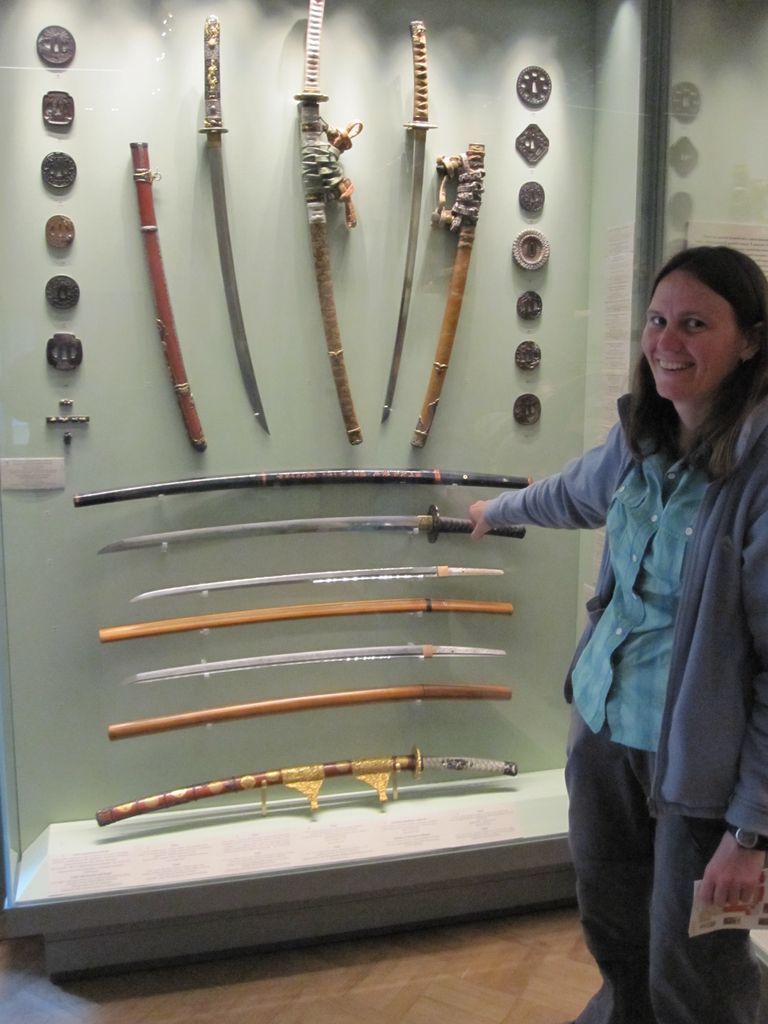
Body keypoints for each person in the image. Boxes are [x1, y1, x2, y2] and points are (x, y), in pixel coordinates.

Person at [469, 245, 768, 1024]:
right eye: (658, 320)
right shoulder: (644, 438)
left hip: (700, 762)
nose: (666, 341)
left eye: (695, 324)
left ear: (751, 341)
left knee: (695, 967)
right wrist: (497, 511)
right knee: (617, 932)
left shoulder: (760, 477)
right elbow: (577, 493)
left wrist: (752, 832)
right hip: (605, 726)